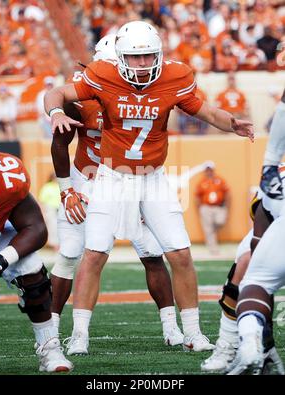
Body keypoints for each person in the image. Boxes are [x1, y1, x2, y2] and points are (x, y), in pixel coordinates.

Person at [44, 21, 253, 356]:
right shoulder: (102, 75)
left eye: (148, 57)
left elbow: (207, 111)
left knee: (179, 253)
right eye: (133, 57)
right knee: (93, 253)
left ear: (159, 54)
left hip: (152, 177)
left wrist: (232, 124)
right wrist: (55, 113)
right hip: (111, 177)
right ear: (118, 58)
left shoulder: (176, 75)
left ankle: (192, 332)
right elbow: (56, 94)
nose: (141, 65)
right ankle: (79, 334)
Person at [51, 34, 184, 352]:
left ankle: (172, 327)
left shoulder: (147, 92)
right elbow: (59, 140)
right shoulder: (82, 94)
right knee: (71, 253)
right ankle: (51, 330)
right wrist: (66, 190)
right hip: (88, 176)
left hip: (130, 178)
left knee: (152, 253)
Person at [0, 137, 72, 373]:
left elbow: (36, 229)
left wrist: (0, 262)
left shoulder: (8, 178)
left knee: (32, 271)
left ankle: (50, 350)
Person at [227, 89, 285, 374]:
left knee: (256, 282)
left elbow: (261, 218)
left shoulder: (277, 176)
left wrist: (270, 162)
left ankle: (249, 341)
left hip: (276, 206)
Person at [195, 162, 230, 255]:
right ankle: (213, 249)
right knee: (208, 229)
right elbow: (197, 196)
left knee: (220, 222)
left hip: (219, 207)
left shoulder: (220, 180)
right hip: (206, 207)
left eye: (210, 170)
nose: (209, 172)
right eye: (207, 170)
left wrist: (226, 206)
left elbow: (227, 193)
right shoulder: (201, 182)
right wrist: (200, 208)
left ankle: (213, 235)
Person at [38, 173, 60, 250]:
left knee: (61, 226)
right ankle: (55, 245)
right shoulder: (47, 187)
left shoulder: (60, 186)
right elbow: (42, 201)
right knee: (53, 227)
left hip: (60, 208)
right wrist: (43, 212)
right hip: (50, 209)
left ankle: (60, 244)